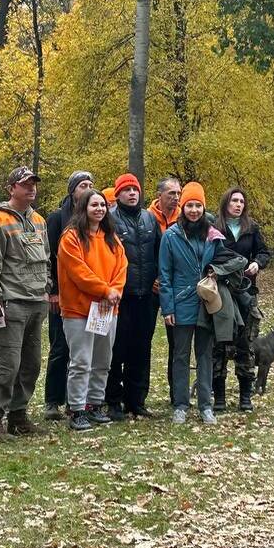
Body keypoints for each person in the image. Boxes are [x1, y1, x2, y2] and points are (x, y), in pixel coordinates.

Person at [0, 166, 50, 441]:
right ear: (11, 188)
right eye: (25, 184)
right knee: (6, 364)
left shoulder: (40, 220)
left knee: (31, 364)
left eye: (33, 183)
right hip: (12, 302)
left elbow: (46, 258)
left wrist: (47, 289)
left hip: (36, 301)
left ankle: (18, 416)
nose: (31, 188)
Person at [58, 190, 127, 431]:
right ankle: (77, 408)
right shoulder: (71, 237)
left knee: (102, 360)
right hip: (79, 309)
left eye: (102, 205)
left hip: (107, 308)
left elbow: (122, 266)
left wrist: (113, 291)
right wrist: (104, 290)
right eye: (93, 205)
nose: (99, 209)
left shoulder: (111, 237)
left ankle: (95, 404)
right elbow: (79, 272)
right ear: (83, 208)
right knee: (81, 361)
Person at [158, 182, 223, 425]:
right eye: (189, 205)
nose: (194, 210)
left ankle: (206, 405)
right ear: (182, 207)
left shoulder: (213, 235)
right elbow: (164, 274)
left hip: (206, 303)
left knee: (205, 354)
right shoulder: (171, 236)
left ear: (204, 207)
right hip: (181, 301)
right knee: (180, 355)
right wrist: (168, 308)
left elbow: (223, 261)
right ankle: (181, 404)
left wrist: (217, 272)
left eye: (198, 205)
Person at [104, 173, 160, 420]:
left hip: (146, 295)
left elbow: (159, 252)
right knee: (117, 350)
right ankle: (113, 401)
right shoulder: (110, 220)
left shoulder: (150, 218)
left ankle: (136, 400)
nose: (132, 194)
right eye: (126, 190)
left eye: (135, 189)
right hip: (121, 297)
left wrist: (159, 279)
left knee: (141, 349)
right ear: (117, 195)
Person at [211, 187, 270, 413]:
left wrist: (258, 263)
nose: (238, 204)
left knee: (246, 344)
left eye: (241, 201)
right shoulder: (215, 228)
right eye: (234, 200)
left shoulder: (251, 228)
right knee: (219, 345)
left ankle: (246, 397)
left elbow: (264, 252)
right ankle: (219, 398)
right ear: (226, 203)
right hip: (221, 293)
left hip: (246, 293)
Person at [44, 171, 95, 421]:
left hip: (89, 297)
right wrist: (52, 290)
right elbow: (49, 258)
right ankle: (53, 400)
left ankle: (79, 400)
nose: (86, 188)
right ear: (72, 190)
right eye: (82, 185)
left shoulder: (95, 218)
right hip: (61, 295)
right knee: (60, 348)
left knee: (84, 352)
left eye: (90, 185)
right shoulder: (56, 219)